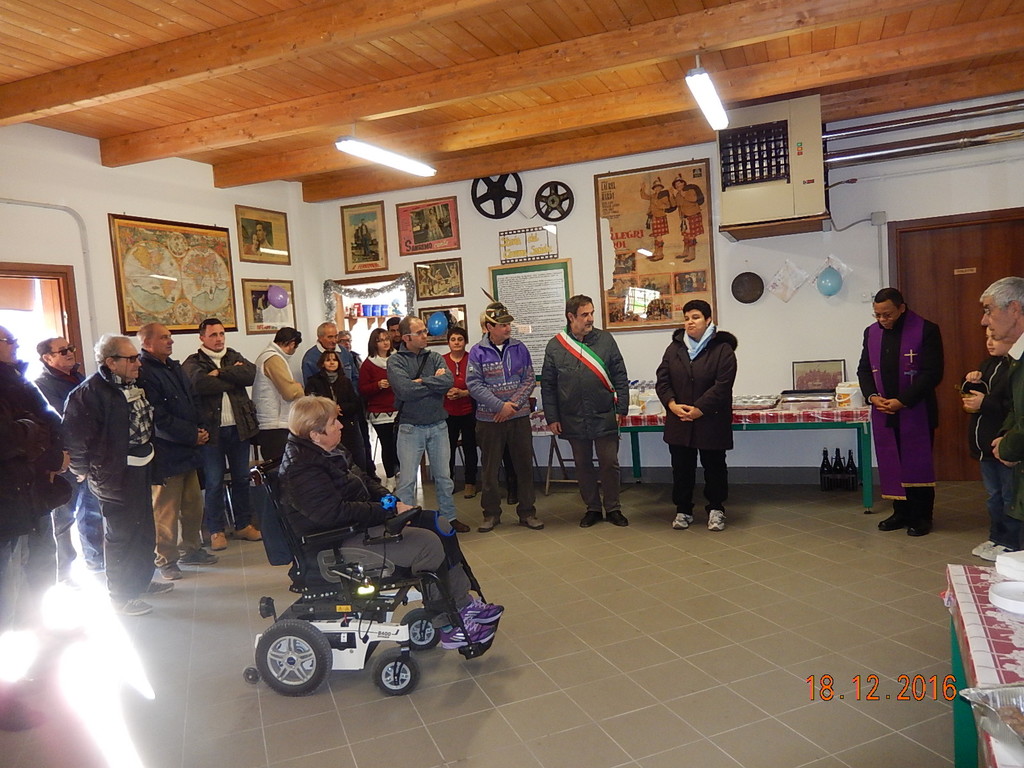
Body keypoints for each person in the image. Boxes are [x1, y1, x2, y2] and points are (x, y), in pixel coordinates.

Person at [279, 396, 501, 649]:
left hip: (355, 527)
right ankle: (450, 625)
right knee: (428, 544)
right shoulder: (302, 469)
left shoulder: (330, 452)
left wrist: (392, 503)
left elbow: (367, 482)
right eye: (333, 423)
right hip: (333, 544)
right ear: (315, 434)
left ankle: (464, 604)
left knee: (436, 523)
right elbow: (334, 514)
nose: (340, 425)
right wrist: (386, 512)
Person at [64, 334, 173, 616]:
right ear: (111, 362)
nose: (138, 363)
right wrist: (82, 471)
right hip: (112, 475)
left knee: (143, 529)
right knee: (122, 535)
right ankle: (121, 596)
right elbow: (76, 438)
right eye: (131, 358)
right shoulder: (88, 393)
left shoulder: (133, 383)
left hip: (142, 466)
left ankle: (140, 582)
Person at [0, 327, 69, 730]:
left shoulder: (18, 380)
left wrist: (49, 451)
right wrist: (32, 434)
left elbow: (49, 421)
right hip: (9, 504)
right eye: (7, 342)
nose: (14, 347)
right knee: (6, 600)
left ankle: (35, 652)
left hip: (29, 497)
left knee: (36, 577)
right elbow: (8, 437)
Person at [857, 287, 944, 537]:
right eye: (877, 315)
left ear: (901, 308)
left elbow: (932, 373)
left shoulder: (926, 330)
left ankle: (922, 516)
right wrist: (872, 397)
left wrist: (903, 401)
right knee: (893, 461)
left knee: (916, 462)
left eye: (887, 314)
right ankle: (900, 512)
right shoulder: (871, 333)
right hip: (884, 410)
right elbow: (864, 370)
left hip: (916, 409)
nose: (882, 320)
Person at [136, 323, 218, 581]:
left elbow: (194, 400)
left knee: (193, 505)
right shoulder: (143, 372)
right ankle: (166, 559)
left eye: (170, 337)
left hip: (189, 450)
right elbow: (157, 417)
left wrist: (201, 429)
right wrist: (191, 434)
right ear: (147, 343)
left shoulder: (174, 366)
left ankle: (192, 549)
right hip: (165, 453)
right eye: (164, 338)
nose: (170, 341)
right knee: (166, 511)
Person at [541, 295, 630, 528]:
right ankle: (592, 508)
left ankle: (613, 508)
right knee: (582, 465)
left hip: (604, 413)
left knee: (609, 463)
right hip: (573, 416)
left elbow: (620, 376)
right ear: (571, 317)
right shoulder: (555, 346)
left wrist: (621, 408)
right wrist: (552, 417)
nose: (590, 318)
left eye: (592, 313)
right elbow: (548, 385)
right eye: (584, 314)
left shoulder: (606, 340)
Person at [655, 300, 737, 532]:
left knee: (714, 467)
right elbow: (662, 380)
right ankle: (683, 510)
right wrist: (672, 404)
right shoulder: (674, 349)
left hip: (711, 418)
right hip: (679, 419)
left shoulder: (723, 349)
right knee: (681, 468)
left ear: (708, 320)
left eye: (696, 317)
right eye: (687, 318)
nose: (690, 322)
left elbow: (723, 385)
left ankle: (716, 509)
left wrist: (699, 409)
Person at [182, 318, 262, 552]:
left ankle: (243, 524)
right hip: (212, 432)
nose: (218, 339)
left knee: (241, 478)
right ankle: (216, 530)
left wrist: (220, 373)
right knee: (214, 481)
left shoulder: (233, 355)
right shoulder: (193, 362)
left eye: (221, 334)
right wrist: (232, 378)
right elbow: (200, 385)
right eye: (213, 335)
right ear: (202, 338)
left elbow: (250, 375)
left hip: (239, 428)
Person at [388, 316, 469, 533]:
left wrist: (422, 381)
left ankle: (449, 518)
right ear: (406, 338)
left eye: (425, 330)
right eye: (420, 332)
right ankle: (406, 522)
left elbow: (447, 382)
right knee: (407, 481)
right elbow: (405, 391)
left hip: (438, 426)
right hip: (410, 428)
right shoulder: (395, 362)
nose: (426, 335)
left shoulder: (434, 357)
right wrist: (433, 382)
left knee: (444, 477)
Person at [467, 302, 542, 532]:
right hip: (489, 421)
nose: (508, 328)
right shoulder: (477, 352)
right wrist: (500, 407)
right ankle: (491, 514)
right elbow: (474, 384)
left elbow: (529, 379)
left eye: (508, 324)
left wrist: (512, 406)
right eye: (502, 325)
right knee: (490, 470)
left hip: (518, 418)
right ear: (489, 327)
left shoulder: (520, 348)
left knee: (524, 467)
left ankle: (527, 512)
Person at [34, 336, 104, 576]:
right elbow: (61, 420)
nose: (70, 353)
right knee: (63, 516)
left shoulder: (79, 377)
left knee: (92, 511)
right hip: (66, 458)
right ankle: (62, 570)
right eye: (62, 351)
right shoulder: (42, 385)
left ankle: (96, 559)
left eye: (70, 348)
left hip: (89, 455)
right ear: (47, 358)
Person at [962, 328, 1017, 560]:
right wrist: (968, 382)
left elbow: (1013, 408)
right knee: (993, 496)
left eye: (995, 337)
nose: (990, 342)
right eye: (987, 338)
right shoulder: (987, 364)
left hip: (1004, 445)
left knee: (1009, 497)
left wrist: (985, 403)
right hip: (984, 446)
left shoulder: (1015, 368)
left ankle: (1012, 542)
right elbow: (973, 397)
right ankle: (996, 537)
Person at [984, 278, 1024, 545]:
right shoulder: (1016, 358)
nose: (984, 321)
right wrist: (1006, 435)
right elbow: (1016, 407)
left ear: (1014, 309)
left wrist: (1009, 447)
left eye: (988, 310)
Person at [305, 349, 372, 474]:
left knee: (355, 455)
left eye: (334, 360)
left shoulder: (345, 381)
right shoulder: (314, 381)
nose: (332, 363)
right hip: (325, 425)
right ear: (322, 363)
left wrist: (341, 408)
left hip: (347, 424)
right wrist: (331, 408)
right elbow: (312, 403)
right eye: (328, 360)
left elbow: (355, 403)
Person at [253, 326, 304, 462]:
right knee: (279, 467)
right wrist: (299, 387)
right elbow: (289, 392)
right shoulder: (274, 358)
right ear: (292, 344)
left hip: (271, 423)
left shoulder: (268, 356)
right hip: (274, 424)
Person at [359, 328, 400, 491]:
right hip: (379, 412)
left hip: (399, 409)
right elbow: (363, 389)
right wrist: (377, 385)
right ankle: (390, 478)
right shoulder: (368, 364)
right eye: (380, 340)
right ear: (374, 344)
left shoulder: (397, 359)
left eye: (386, 339)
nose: (385, 342)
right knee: (387, 445)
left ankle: (401, 473)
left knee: (401, 445)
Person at [442, 326, 478, 499]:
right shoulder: (440, 361)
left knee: (470, 447)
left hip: (469, 411)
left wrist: (464, 393)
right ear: (448, 342)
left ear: (466, 341)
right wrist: (446, 392)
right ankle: (448, 481)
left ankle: (470, 482)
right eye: (453, 339)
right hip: (447, 412)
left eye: (460, 339)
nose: (456, 343)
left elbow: (480, 385)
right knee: (447, 449)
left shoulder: (473, 359)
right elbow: (435, 383)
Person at [301, 322, 358, 389]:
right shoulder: (310, 358)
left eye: (336, 336)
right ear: (320, 338)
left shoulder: (344, 352)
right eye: (330, 337)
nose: (334, 341)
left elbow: (355, 377)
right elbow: (310, 387)